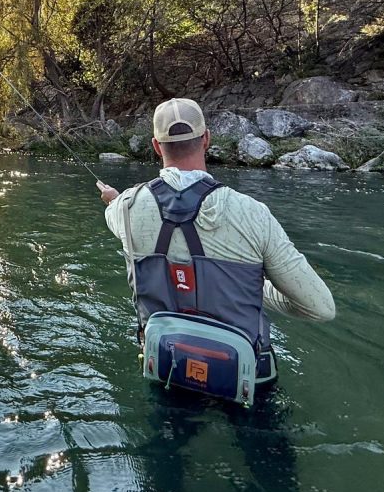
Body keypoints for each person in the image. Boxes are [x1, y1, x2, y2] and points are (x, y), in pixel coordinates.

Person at [97, 97, 335, 389]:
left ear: (156, 146)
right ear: (206, 139)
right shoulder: (253, 212)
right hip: (243, 380)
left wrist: (115, 198)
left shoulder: (124, 209)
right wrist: (256, 290)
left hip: (167, 369)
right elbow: (321, 308)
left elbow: (116, 208)